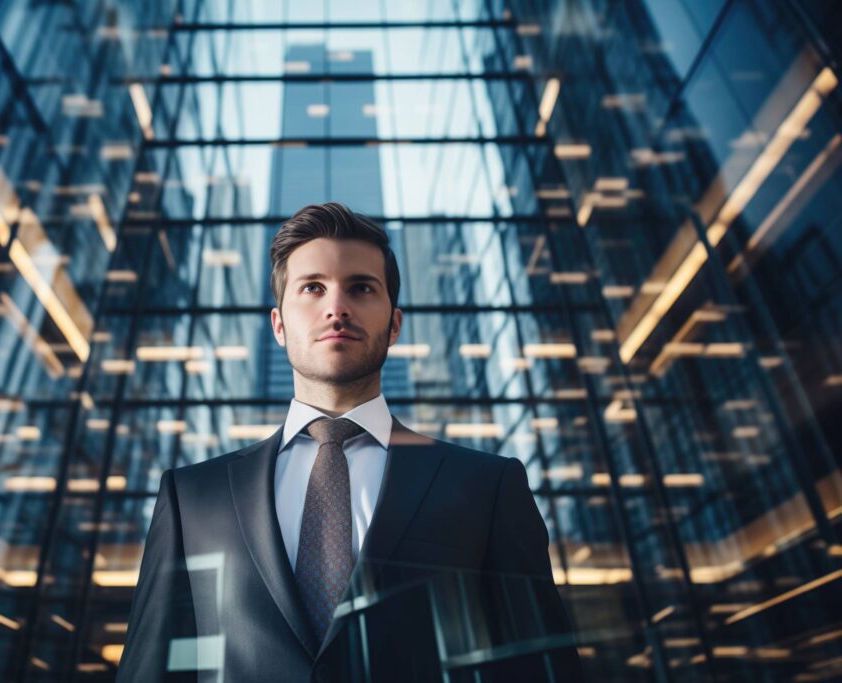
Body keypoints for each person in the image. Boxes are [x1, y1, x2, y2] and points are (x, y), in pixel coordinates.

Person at [116, 203, 584, 681]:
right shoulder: (191, 497)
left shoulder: (487, 487)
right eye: (312, 288)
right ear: (278, 325)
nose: (336, 307)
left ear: (395, 325)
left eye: (361, 288)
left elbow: (540, 667)